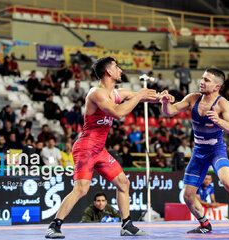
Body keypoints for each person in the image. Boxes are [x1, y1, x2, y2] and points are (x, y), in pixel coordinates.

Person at [45, 56, 167, 238]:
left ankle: (126, 224)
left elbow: (144, 97)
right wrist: (140, 95)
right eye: (117, 67)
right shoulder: (96, 93)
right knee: (81, 189)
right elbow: (118, 113)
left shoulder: (118, 93)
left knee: (123, 183)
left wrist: (163, 98)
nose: (121, 71)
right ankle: (54, 226)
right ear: (109, 71)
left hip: (100, 150)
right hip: (85, 147)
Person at [160, 68, 229, 234]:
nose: (201, 82)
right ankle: (204, 224)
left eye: (206, 80)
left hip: (216, 150)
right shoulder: (193, 98)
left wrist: (218, 121)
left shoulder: (223, 104)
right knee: (188, 196)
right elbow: (170, 112)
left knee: (226, 180)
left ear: (217, 86)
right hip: (198, 153)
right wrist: (165, 102)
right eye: (202, 78)